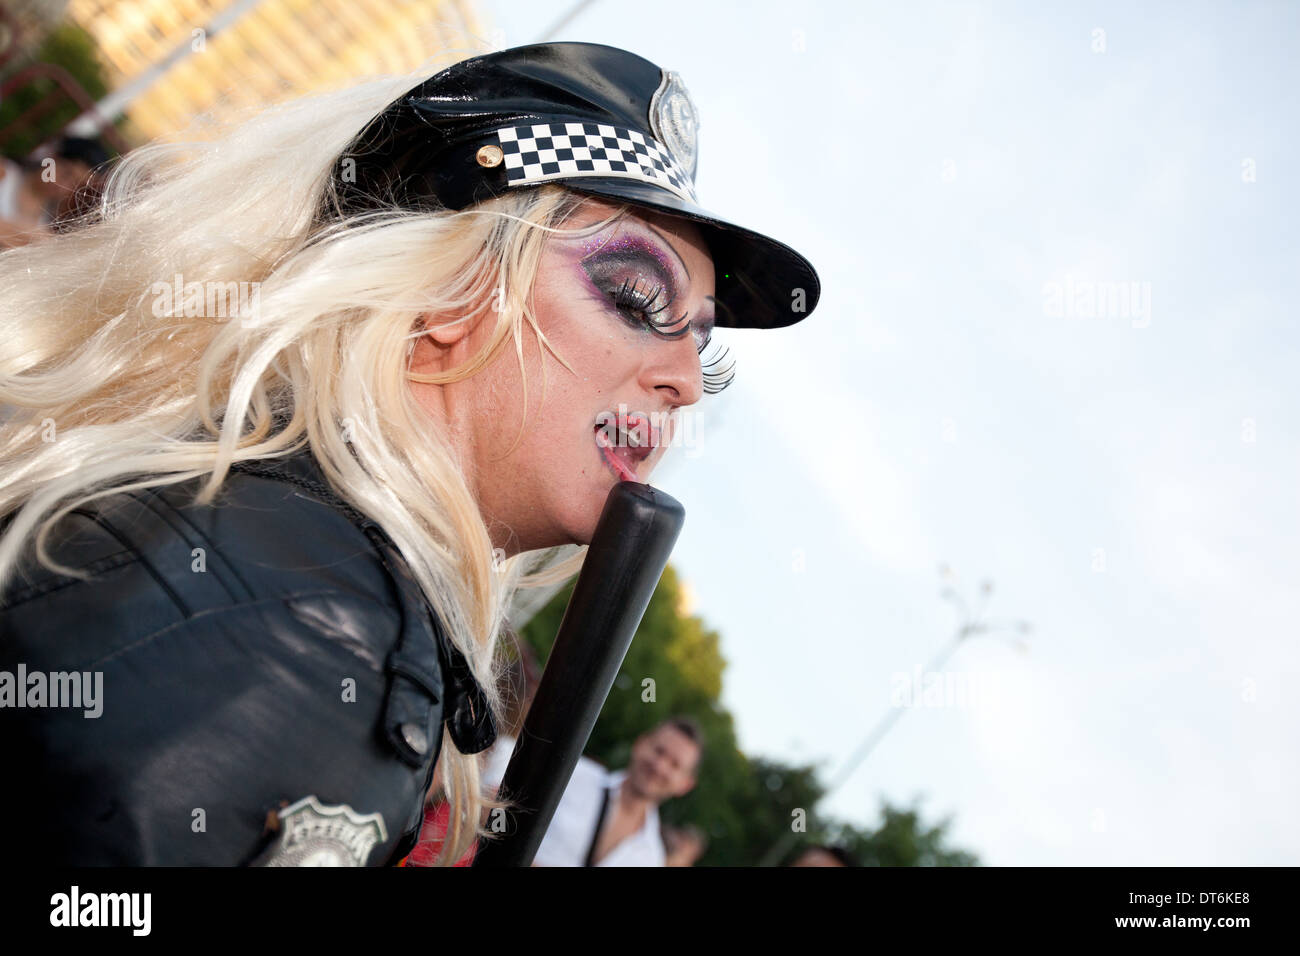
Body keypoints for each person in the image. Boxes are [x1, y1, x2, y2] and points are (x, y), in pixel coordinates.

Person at [0, 42, 819, 866]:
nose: (686, 380)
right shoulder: (320, 640)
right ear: (450, 292)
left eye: (703, 349)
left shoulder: (282, 551)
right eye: (638, 299)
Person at [529, 718, 703, 867]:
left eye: (675, 765)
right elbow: (503, 803)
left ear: (685, 784)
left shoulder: (651, 858)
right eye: (659, 751)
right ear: (640, 744)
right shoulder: (570, 776)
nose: (659, 766)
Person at [0, 136, 110, 248]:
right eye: (66, 173)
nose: (63, 186)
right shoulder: (5, 174)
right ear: (53, 158)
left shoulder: (45, 226)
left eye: (74, 186)